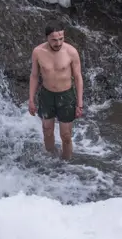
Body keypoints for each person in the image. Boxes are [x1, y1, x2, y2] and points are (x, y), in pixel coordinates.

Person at [28, 20, 84, 160]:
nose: (58, 43)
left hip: (66, 96)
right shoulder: (38, 52)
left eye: (61, 39)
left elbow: (78, 77)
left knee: (65, 136)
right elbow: (34, 76)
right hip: (47, 95)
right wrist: (31, 100)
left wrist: (80, 103)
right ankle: (51, 160)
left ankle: (66, 163)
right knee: (47, 131)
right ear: (47, 37)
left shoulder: (71, 52)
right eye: (54, 40)